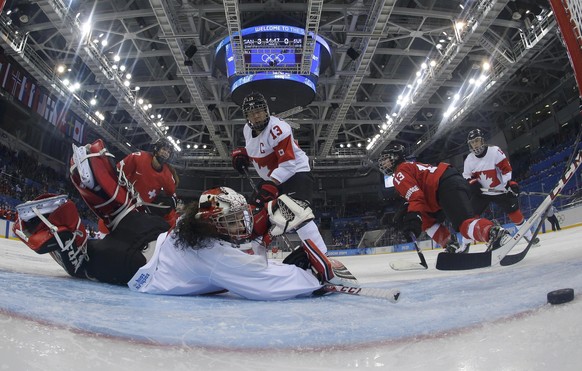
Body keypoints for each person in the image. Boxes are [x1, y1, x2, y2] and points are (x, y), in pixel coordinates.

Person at [12, 139, 351, 300]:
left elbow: (245, 253)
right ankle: (54, 229)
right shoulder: (221, 258)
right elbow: (266, 285)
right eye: (235, 221)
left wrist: (262, 234)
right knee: (77, 251)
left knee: (120, 208)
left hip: (155, 233)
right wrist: (317, 273)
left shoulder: (196, 228)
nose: (242, 225)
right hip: (134, 265)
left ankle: (94, 187)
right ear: (217, 225)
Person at [230, 92, 357, 286]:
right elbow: (258, 150)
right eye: (251, 113)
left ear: (266, 111)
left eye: (259, 111)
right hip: (273, 178)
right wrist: (244, 156)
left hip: (295, 173)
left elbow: (288, 164)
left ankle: (327, 262)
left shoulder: (279, 129)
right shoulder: (247, 131)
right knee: (254, 219)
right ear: (246, 116)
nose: (256, 116)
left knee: (297, 213)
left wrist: (271, 184)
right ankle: (255, 266)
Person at [378, 144, 510, 253]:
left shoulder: (399, 173)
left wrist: (412, 219)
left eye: (386, 159)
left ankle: (493, 232)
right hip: (446, 185)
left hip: (444, 186)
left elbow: (416, 196)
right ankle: (450, 244)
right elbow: (418, 196)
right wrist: (412, 211)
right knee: (426, 220)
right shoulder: (409, 167)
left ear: (395, 157)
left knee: (464, 225)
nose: (383, 163)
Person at [463, 129, 539, 245]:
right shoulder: (469, 159)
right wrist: (473, 183)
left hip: (500, 190)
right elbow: (467, 176)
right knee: (469, 217)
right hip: (482, 193)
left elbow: (505, 169)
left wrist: (508, 184)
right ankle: (465, 245)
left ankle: (529, 237)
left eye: (477, 141)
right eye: (472, 142)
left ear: (482, 140)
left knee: (514, 213)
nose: (475, 144)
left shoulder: (495, 151)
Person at [117, 137, 180, 228]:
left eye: (169, 152)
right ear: (156, 149)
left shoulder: (168, 176)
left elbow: (172, 195)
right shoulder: (138, 157)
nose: (166, 153)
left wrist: (164, 206)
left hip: (139, 212)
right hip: (121, 201)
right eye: (164, 149)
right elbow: (117, 171)